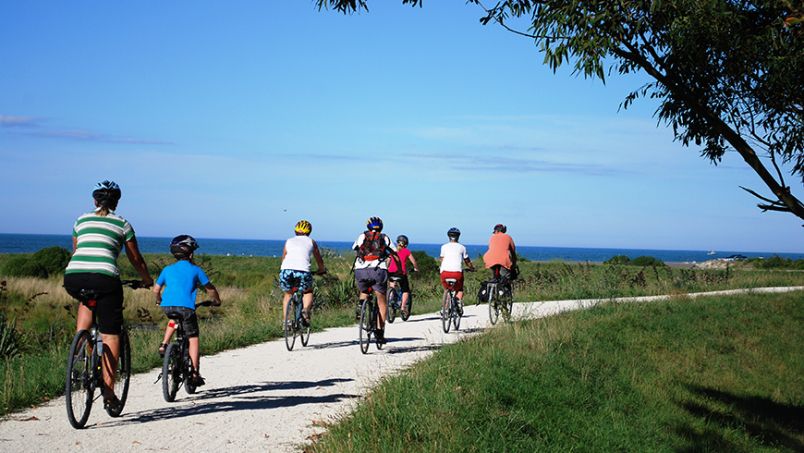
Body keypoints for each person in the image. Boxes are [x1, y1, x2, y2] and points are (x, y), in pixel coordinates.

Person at [63, 180, 153, 412]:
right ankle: (108, 391)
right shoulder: (122, 224)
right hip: (105, 278)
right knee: (111, 335)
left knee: (87, 304)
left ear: (94, 200)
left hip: (74, 276)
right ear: (116, 202)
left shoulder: (80, 220)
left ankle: (83, 346)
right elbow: (136, 259)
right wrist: (147, 280)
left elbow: (76, 250)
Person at [153, 235, 221, 387]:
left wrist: (159, 300)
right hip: (187, 308)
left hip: (167, 306)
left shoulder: (167, 269)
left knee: (174, 320)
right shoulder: (196, 270)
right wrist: (216, 301)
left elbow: (156, 289)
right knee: (193, 338)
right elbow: (210, 288)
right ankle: (194, 374)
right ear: (191, 253)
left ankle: (164, 344)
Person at [352, 216, 397, 344]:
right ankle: (379, 331)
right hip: (378, 270)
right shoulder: (384, 238)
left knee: (364, 290)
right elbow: (394, 252)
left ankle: (361, 305)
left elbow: (354, 248)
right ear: (381, 227)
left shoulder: (362, 236)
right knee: (381, 301)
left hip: (361, 271)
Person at [279, 220, 327, 326]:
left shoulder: (289, 241)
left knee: (288, 294)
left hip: (286, 270)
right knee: (307, 291)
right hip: (303, 271)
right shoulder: (311, 242)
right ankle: (305, 310)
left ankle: (286, 321)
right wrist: (321, 270)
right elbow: (319, 259)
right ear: (309, 232)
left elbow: (284, 257)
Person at [439, 227, 475, 314]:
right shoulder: (462, 247)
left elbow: (441, 259)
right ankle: (458, 302)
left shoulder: (443, 247)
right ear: (458, 236)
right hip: (457, 273)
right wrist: (471, 268)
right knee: (460, 289)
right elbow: (467, 261)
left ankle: (445, 308)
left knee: (446, 288)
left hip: (444, 273)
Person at [386, 234, 419, 317]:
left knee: (392, 286)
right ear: (406, 244)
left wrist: (387, 269)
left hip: (391, 272)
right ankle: (403, 307)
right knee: (405, 290)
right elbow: (413, 261)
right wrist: (416, 268)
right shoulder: (407, 251)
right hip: (401, 273)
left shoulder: (393, 250)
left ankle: (390, 299)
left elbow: (388, 261)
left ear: (397, 243)